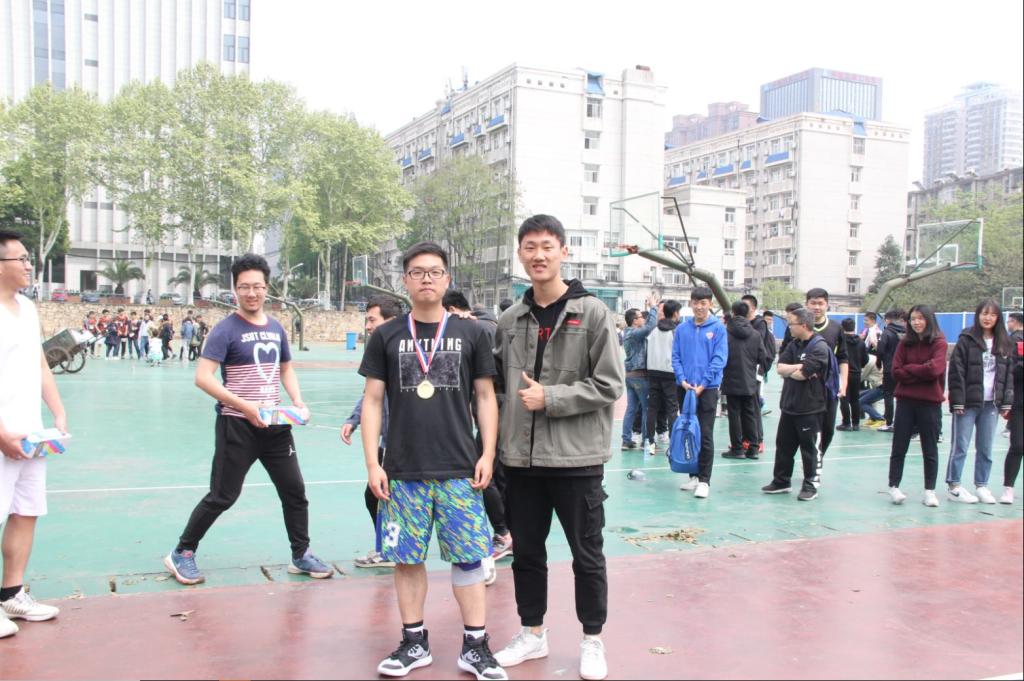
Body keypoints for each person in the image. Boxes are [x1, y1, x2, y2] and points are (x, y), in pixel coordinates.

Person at [358, 242, 504, 680]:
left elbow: (485, 397)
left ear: (447, 279)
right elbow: (372, 401)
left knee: (470, 558)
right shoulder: (386, 335)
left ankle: (475, 646)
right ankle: (414, 642)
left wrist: (487, 453)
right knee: (406, 560)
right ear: (405, 280)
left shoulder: (472, 334)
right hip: (403, 471)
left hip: (460, 469)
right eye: (418, 272)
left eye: (435, 272)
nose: (426, 279)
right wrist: (373, 464)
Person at [491, 215, 622, 681]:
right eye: (529, 247)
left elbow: (609, 384)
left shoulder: (593, 313)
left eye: (547, 246)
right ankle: (532, 633)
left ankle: (592, 639)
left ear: (564, 251)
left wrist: (551, 398)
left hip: (576, 460)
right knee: (527, 554)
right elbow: (496, 389)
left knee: (587, 555)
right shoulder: (510, 319)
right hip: (521, 460)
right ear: (520, 253)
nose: (538, 255)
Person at [164, 254, 333, 586]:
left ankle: (301, 554)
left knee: (295, 491)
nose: (252, 293)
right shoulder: (225, 330)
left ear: (267, 287)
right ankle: (182, 552)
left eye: (257, 286)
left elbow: (286, 369)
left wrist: (297, 400)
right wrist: (245, 406)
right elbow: (203, 378)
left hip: (275, 427)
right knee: (222, 496)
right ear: (235, 289)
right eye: (245, 287)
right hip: (237, 426)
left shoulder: (275, 328)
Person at [0, 229, 68, 638]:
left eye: (29, 258)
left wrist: (57, 411)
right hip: (3, 434)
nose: (29, 265)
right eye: (21, 259)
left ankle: (12, 593)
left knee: (26, 511)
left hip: (30, 433)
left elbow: (40, 363)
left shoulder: (26, 308)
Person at [442, 289, 509, 585]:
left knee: (485, 473)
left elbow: (485, 384)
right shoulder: (489, 324)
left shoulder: (475, 329)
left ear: (452, 310)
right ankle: (505, 531)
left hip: (497, 404)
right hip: (500, 403)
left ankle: (503, 533)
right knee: (497, 472)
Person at [341, 297, 400, 569]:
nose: (367, 326)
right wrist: (354, 419)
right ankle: (388, 549)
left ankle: (390, 550)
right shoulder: (379, 348)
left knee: (381, 496)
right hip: (386, 441)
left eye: (372, 320)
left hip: (401, 443)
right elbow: (370, 394)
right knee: (377, 495)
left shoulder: (403, 349)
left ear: (390, 321)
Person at [945, 299, 1015, 504]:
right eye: (984, 313)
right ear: (978, 315)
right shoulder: (966, 339)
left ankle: (982, 485)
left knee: (986, 447)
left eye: (992, 314)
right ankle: (954, 486)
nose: (988, 318)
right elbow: (956, 372)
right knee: (960, 446)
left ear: (998, 318)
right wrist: (957, 401)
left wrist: (1006, 402)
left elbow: (1008, 375)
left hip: (991, 404)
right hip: (967, 403)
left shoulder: (1004, 342)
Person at [761, 307, 831, 501]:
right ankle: (781, 481)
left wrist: (795, 370)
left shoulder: (819, 347)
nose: (789, 327)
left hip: (810, 407)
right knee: (784, 446)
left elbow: (802, 375)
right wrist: (798, 367)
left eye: (791, 323)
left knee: (810, 449)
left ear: (804, 325)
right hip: (789, 405)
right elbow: (780, 368)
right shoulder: (794, 344)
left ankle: (810, 485)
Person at [886, 305, 947, 507]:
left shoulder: (939, 342)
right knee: (899, 446)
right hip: (905, 401)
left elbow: (935, 370)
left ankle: (930, 491)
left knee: (930, 448)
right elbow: (896, 371)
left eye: (920, 318)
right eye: (913, 319)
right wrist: (922, 370)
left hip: (930, 403)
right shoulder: (904, 343)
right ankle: (894, 486)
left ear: (929, 319)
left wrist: (910, 370)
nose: (916, 322)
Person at [671, 287, 728, 498]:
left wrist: (703, 384)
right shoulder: (682, 329)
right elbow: (675, 356)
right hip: (685, 389)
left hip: (708, 389)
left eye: (703, 303)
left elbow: (719, 359)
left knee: (704, 433)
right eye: (696, 303)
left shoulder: (718, 329)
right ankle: (693, 475)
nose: (699, 307)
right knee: (689, 431)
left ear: (710, 304)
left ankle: (704, 480)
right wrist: (682, 380)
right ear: (690, 303)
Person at [722, 300, 768, 460]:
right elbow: (763, 357)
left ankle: (737, 448)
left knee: (734, 414)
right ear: (748, 313)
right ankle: (753, 448)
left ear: (733, 312)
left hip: (731, 378)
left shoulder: (726, 333)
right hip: (749, 379)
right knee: (750, 413)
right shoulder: (755, 334)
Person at [620, 297, 658, 454]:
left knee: (631, 409)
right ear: (634, 321)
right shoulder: (635, 333)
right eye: (641, 316)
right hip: (640, 376)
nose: (643, 318)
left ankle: (626, 440)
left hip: (630, 376)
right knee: (646, 408)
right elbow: (650, 326)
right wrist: (653, 307)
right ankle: (646, 440)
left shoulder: (627, 333)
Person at [645, 300, 682, 450]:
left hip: (653, 372)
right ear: (675, 313)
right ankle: (673, 443)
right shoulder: (676, 331)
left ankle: (650, 442)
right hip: (670, 374)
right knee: (672, 409)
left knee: (652, 408)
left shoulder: (654, 330)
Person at [1001, 312, 1023, 503]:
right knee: (1017, 445)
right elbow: (1010, 371)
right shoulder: (1016, 342)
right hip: (1019, 403)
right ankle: (1008, 487)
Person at [875, 309, 907, 433]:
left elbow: (880, 350)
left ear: (887, 320)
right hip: (903, 368)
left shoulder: (887, 332)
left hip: (889, 368)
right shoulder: (905, 332)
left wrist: (879, 363)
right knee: (902, 396)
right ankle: (901, 421)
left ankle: (889, 423)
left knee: (888, 395)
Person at [837, 318, 869, 431]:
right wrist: (859, 365)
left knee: (844, 398)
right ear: (854, 327)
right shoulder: (861, 342)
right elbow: (866, 359)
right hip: (857, 373)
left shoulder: (840, 341)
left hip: (843, 373)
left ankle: (846, 423)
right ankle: (856, 423)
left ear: (842, 327)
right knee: (855, 399)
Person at [859, 359, 886, 426]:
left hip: (881, 387)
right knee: (859, 396)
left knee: (861, 402)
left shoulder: (869, 363)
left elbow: (861, 377)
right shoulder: (872, 359)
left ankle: (880, 419)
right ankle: (873, 418)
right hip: (878, 387)